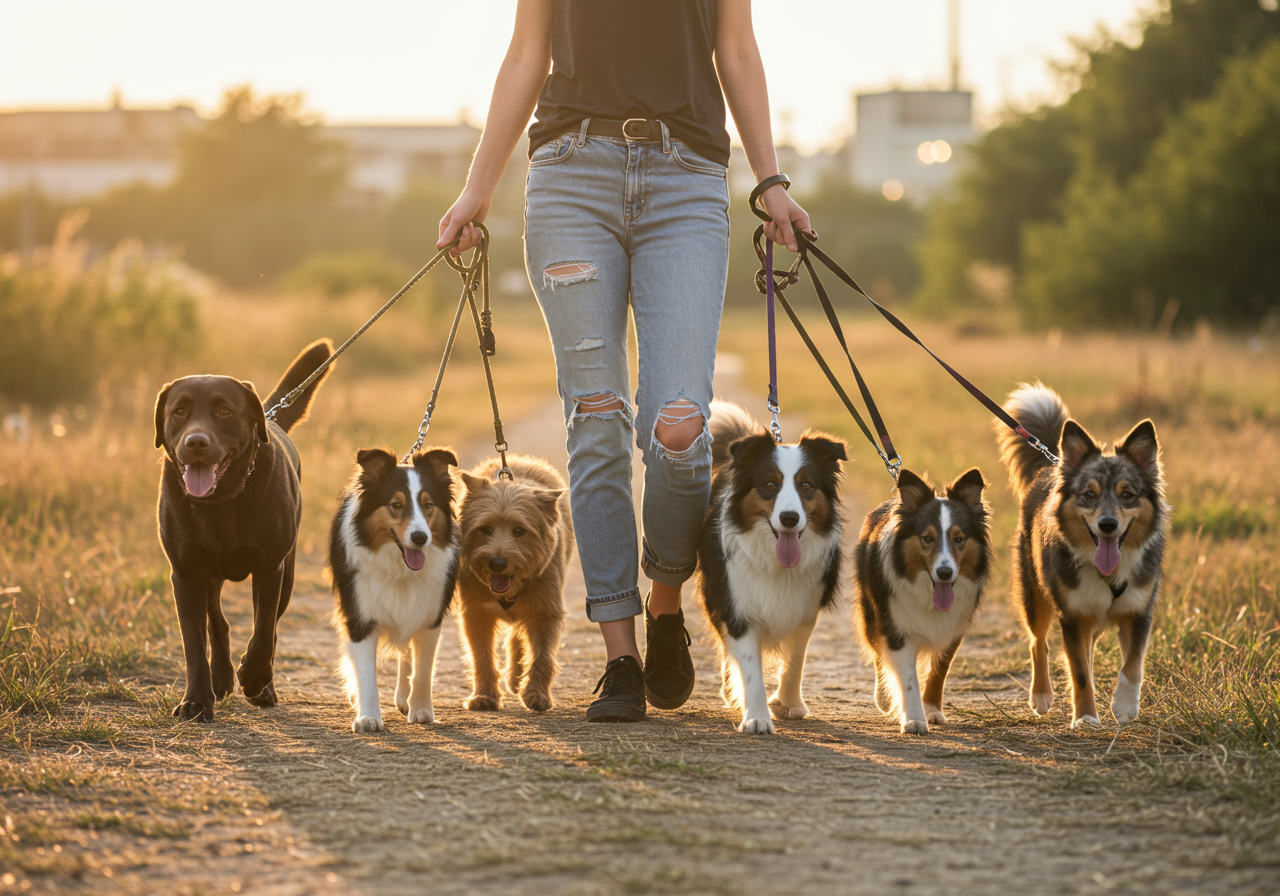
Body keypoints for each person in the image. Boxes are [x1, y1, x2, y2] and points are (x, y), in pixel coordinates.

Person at [438, 0, 811, 722]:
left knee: (680, 427)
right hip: (570, 175)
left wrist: (770, 182)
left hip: (687, 177)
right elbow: (526, 54)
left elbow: (736, 49)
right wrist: (478, 187)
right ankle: (621, 657)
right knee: (598, 419)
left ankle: (665, 602)